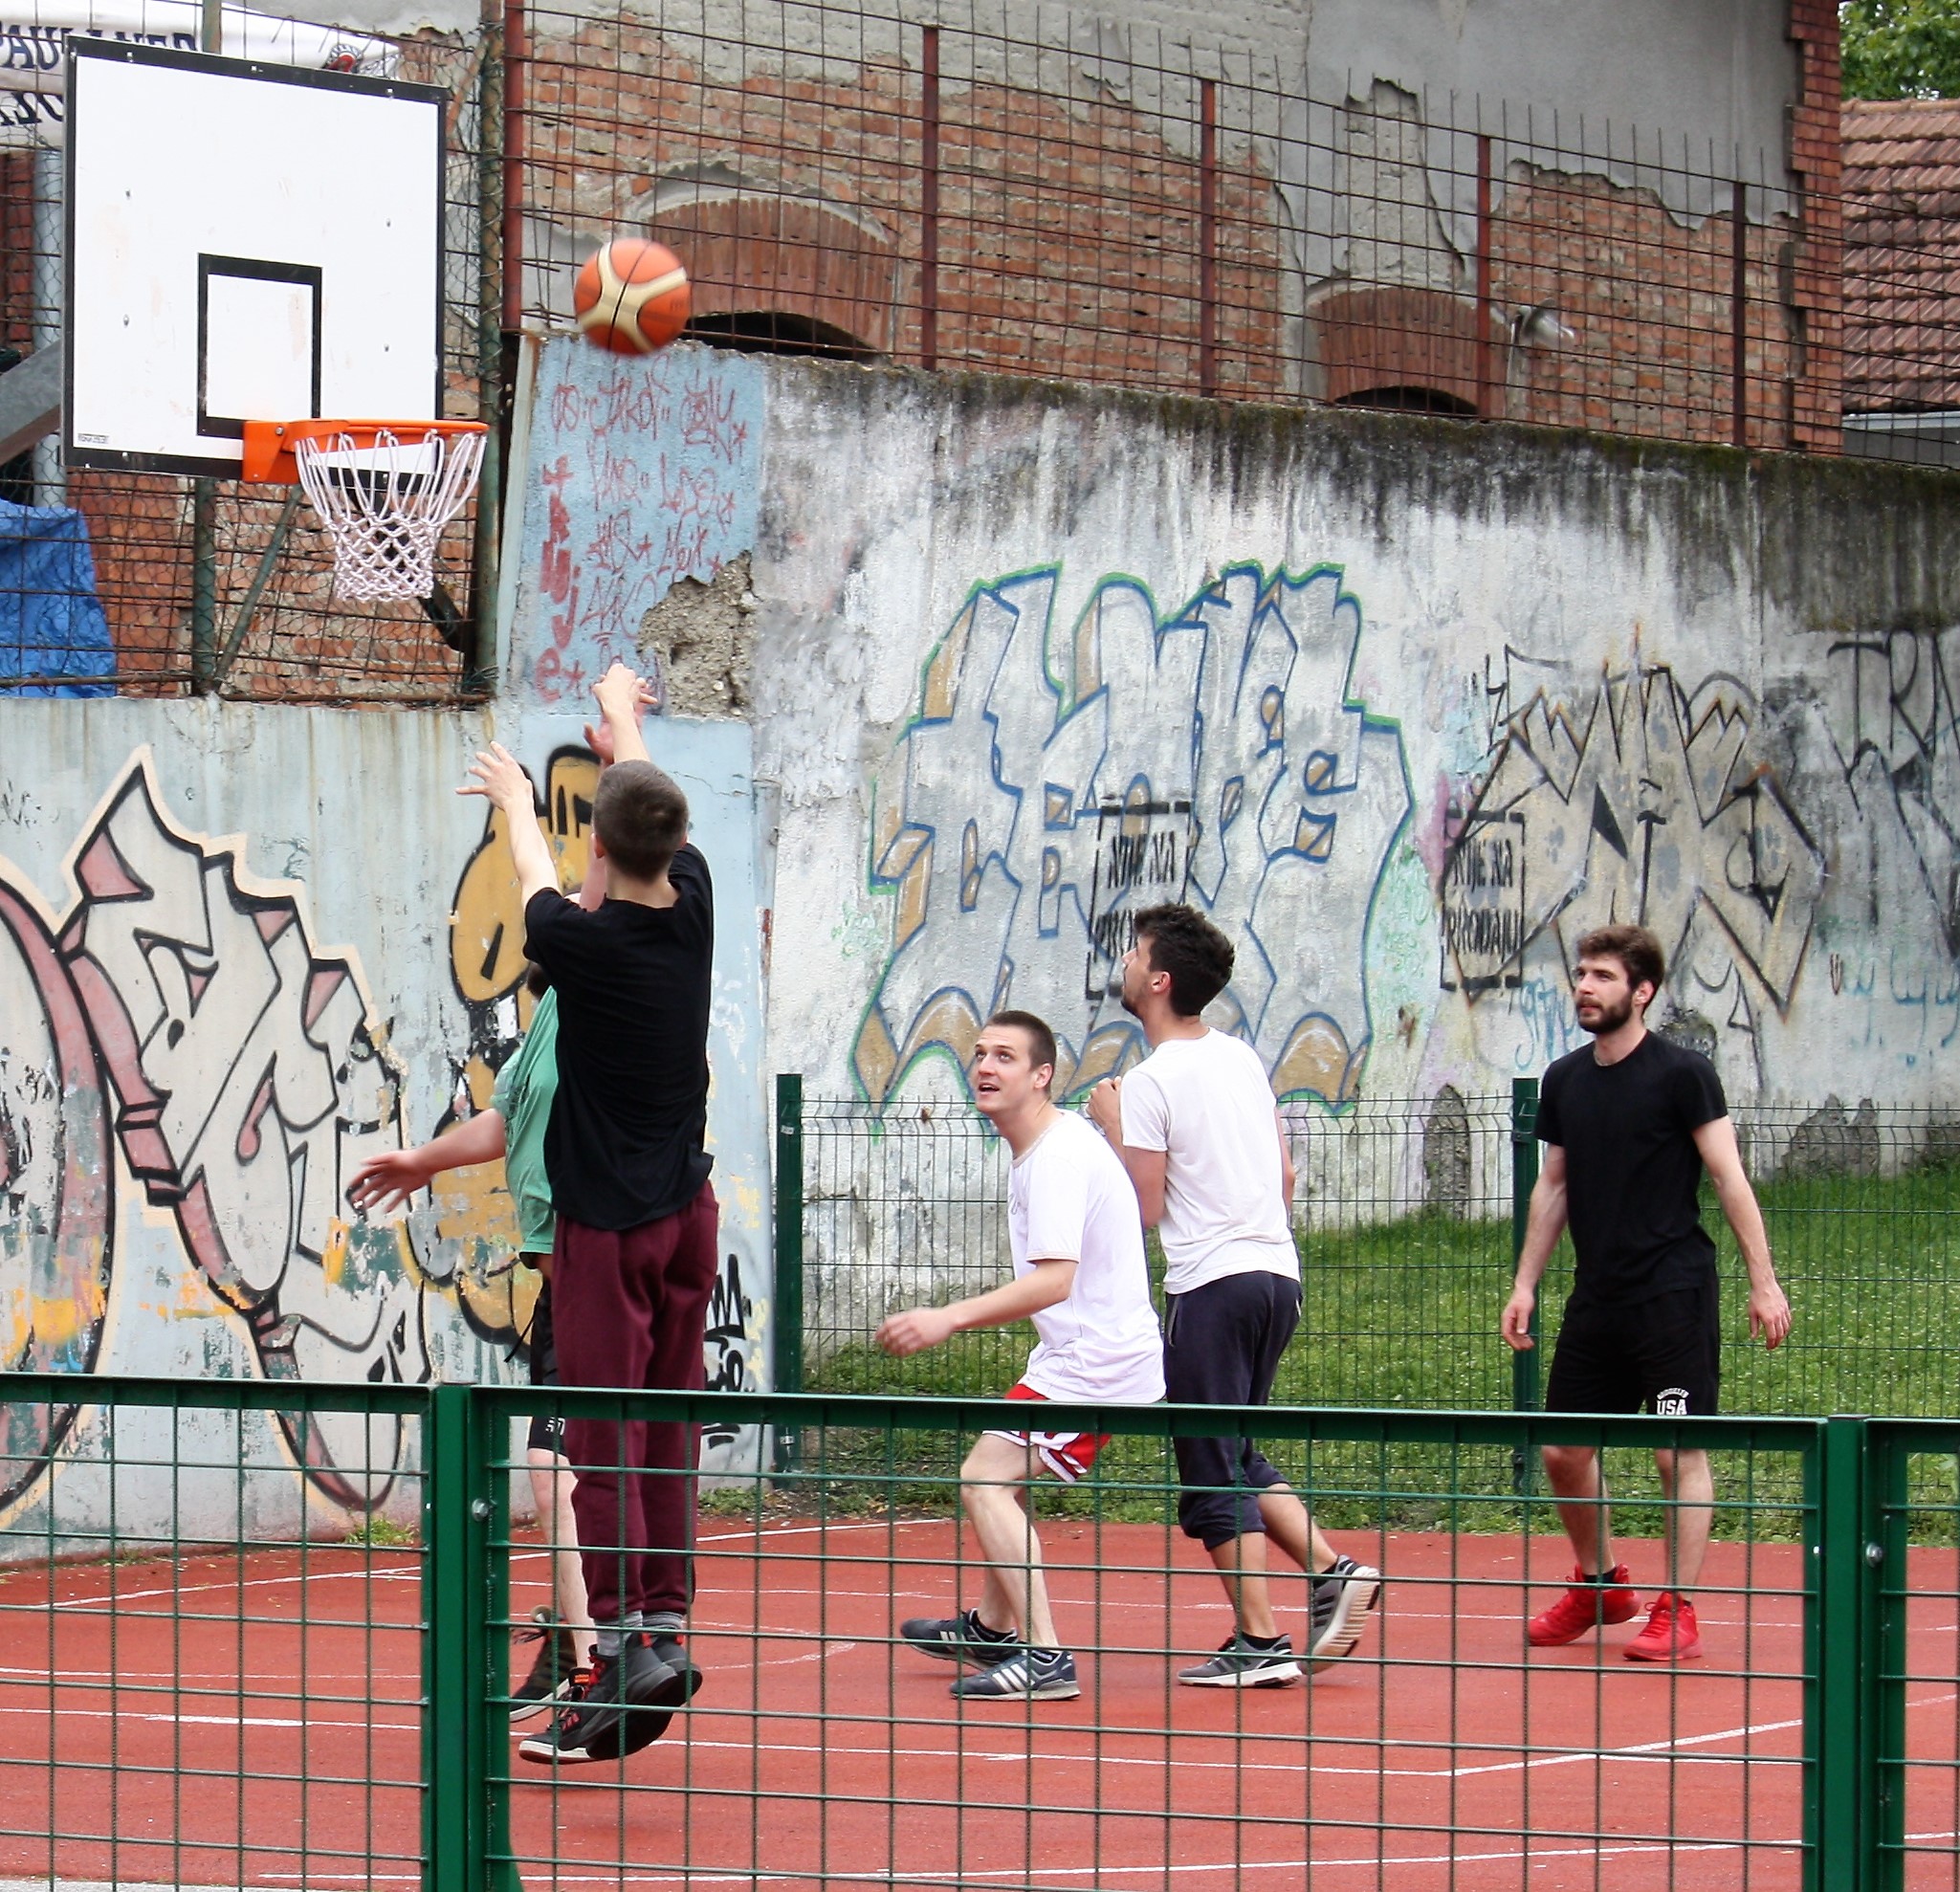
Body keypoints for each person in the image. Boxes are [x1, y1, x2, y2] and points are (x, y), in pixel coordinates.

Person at [465, 659, 718, 1766]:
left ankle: (618, 1642)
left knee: (602, 1434)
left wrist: (517, 800)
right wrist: (622, 716)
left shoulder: (585, 942)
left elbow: (533, 872)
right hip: (688, 1213)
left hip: (607, 1227)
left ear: (601, 852)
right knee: (665, 1427)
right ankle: (662, 1620)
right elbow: (654, 801)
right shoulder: (692, 904)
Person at [1088, 903, 1380, 1687]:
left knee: (1210, 1463)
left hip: (1211, 1286)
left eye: (1133, 953)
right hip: (1274, 1275)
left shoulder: (1149, 1081)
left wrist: (1112, 1123)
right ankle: (1332, 1572)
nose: (1123, 963)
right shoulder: (1240, 1058)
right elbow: (1283, 1176)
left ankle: (1259, 1641)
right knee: (1236, 1449)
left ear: (1158, 980)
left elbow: (1144, 1206)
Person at [1502, 924, 1793, 1662]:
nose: (1583, 987)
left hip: (1673, 1294)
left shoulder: (1682, 1074)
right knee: (1563, 1450)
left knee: (1675, 1450)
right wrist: (1525, 1283)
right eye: (1580, 973)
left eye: (1601, 976)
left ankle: (1677, 1607)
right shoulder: (1564, 1079)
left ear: (1642, 991)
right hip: (1596, 1297)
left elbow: (1727, 1176)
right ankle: (1600, 1586)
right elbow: (1554, 1185)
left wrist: (1762, 1282)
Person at [878, 1010, 1164, 1704]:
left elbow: (1054, 1281)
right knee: (1000, 1479)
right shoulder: (1042, 1148)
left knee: (984, 1478)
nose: (984, 1066)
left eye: (1005, 1056)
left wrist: (947, 1317)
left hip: (1096, 1366)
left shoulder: (1057, 1157)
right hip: (1075, 1356)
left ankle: (1045, 1657)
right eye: (979, 1053)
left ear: (1042, 1076)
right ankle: (993, 1628)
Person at [348, 965, 588, 1720]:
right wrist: (421, 1161)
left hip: (607, 1270)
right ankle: (584, 1647)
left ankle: (600, 1663)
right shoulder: (549, 1023)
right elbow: (507, 1116)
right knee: (568, 1467)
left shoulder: (618, 1012)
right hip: (565, 1280)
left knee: (571, 1468)